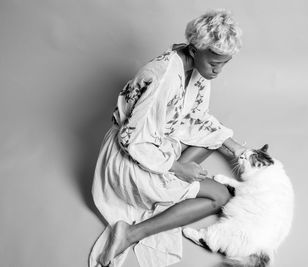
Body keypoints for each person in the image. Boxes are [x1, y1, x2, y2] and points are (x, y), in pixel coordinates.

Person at [90, 9, 257, 267]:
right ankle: (130, 233)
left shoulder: (197, 70)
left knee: (210, 139)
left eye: (224, 63)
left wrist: (233, 146)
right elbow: (130, 139)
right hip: (128, 158)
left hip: (156, 142)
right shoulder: (163, 76)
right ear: (194, 49)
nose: (218, 71)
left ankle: (171, 181)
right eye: (214, 63)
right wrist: (179, 167)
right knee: (221, 198)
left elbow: (193, 117)